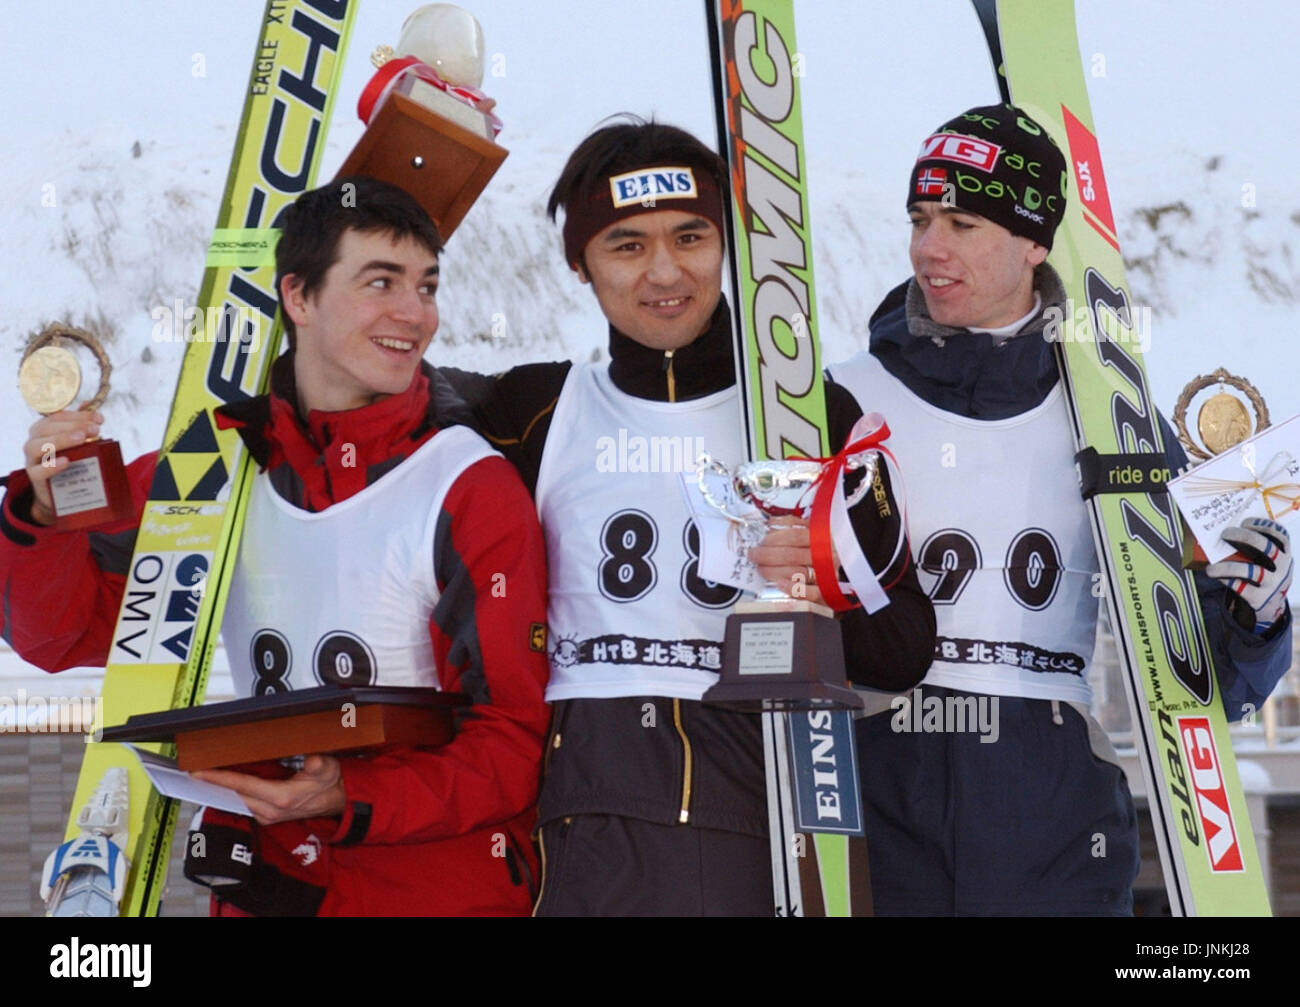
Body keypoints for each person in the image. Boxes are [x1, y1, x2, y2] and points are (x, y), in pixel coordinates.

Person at [0, 176, 550, 917]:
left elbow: (515, 742)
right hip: (277, 885)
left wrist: (351, 796)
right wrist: (40, 512)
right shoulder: (221, 456)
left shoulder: (469, 485)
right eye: (380, 282)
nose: (414, 314)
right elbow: (59, 633)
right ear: (299, 296)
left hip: (434, 888)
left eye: (426, 286)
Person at [440, 117, 937, 916]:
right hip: (585, 812)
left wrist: (826, 591)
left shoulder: (807, 417)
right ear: (581, 264)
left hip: (768, 807)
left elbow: (907, 645)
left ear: (729, 244)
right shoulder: (535, 411)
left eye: (690, 236)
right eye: (627, 244)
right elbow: (373, 387)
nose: (664, 271)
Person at [829, 104, 1294, 916]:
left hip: (1053, 821)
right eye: (919, 218)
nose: (928, 248)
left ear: (1035, 242)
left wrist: (1259, 610)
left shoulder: (1114, 417)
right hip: (876, 802)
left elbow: (1201, 671)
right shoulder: (839, 402)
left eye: (962, 222)